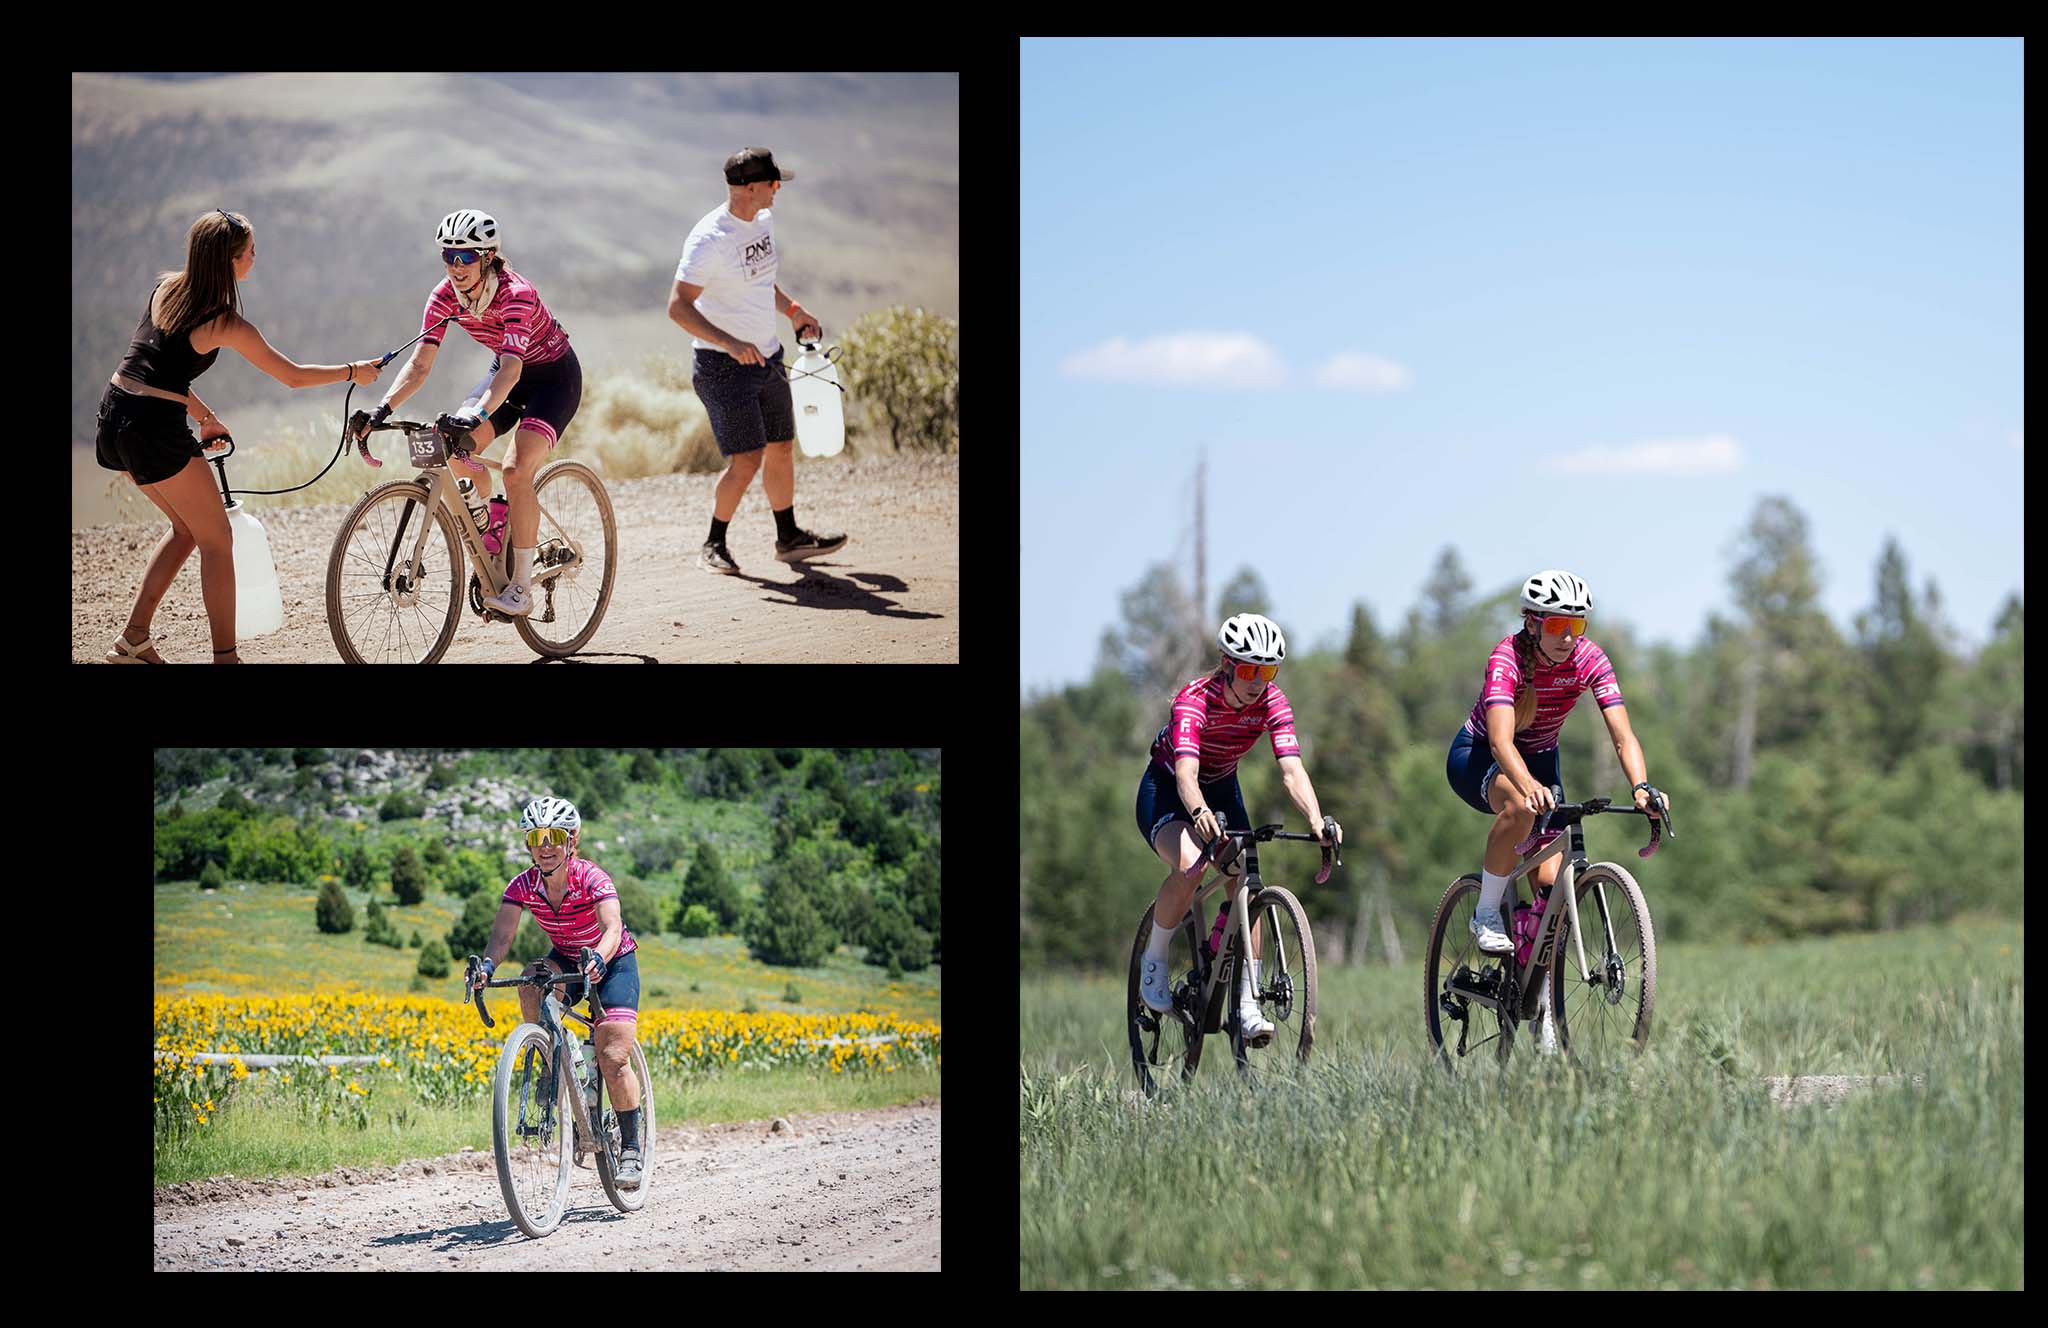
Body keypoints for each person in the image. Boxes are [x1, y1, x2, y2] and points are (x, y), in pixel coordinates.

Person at [95, 209, 385, 662]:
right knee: (217, 541)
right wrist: (354, 371)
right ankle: (226, 658)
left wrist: (204, 415)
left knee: (186, 531)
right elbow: (291, 376)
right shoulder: (224, 322)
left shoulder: (166, 289)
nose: (256, 258)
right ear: (228, 261)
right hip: (152, 429)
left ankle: (134, 641)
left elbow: (152, 371)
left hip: (115, 419)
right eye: (250, 251)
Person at [355, 209, 584, 619]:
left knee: (515, 471)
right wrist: (381, 408)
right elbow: (420, 365)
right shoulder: (444, 296)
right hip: (506, 375)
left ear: (488, 257)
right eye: (448, 255)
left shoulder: (516, 294)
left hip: (552, 378)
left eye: (465, 257)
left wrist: (476, 415)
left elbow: (513, 370)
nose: (455, 266)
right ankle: (489, 521)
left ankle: (522, 587)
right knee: (449, 449)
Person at [1133, 613, 1342, 1046]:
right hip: (1170, 789)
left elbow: (1291, 770)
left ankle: (1247, 1000)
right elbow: (1187, 775)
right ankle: (1153, 961)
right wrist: (1198, 812)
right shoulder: (1194, 700)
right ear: (1227, 665)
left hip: (1223, 787)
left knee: (1246, 882)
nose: (1258, 680)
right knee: (1192, 864)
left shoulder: (1273, 702)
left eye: (1268, 670)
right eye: (1249, 669)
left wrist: (1316, 820)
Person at [1445, 569, 1668, 955]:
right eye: (1557, 625)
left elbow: (1622, 735)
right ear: (1533, 624)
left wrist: (1640, 785)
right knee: (1519, 807)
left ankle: (1542, 1006)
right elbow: (1500, 741)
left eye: (1576, 624)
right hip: (1479, 754)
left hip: (1542, 758)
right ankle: (1485, 913)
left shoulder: (1590, 658)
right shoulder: (1506, 658)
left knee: (1551, 895)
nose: (1567, 636)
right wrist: (1528, 786)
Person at [667, 147, 846, 575]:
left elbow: (761, 279)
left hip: (767, 357)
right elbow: (678, 307)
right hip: (722, 367)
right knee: (746, 459)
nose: (778, 189)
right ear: (750, 188)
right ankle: (713, 544)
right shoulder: (710, 239)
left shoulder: (761, 222)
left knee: (781, 446)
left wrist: (794, 310)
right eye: (772, 183)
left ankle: (789, 539)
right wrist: (729, 343)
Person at [470, 796, 644, 1185]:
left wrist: (599, 956)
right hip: (566, 957)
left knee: (614, 1055)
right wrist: (486, 967)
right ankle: (554, 1056)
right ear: (528, 843)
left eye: (553, 836)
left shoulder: (592, 878)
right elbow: (502, 934)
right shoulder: (523, 885)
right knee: (532, 980)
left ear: (571, 839)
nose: (544, 845)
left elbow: (612, 928)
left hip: (612, 960)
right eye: (536, 837)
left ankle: (631, 1146)